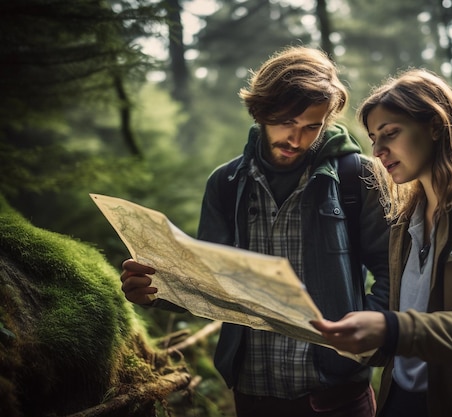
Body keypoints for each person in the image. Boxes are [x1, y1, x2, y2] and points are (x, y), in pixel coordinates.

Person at [120, 46, 390, 417]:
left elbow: (393, 270)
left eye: (311, 126)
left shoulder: (357, 177)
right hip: (253, 394)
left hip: (337, 395)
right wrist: (152, 291)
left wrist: (368, 333)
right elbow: (204, 281)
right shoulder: (225, 183)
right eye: (285, 123)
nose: (297, 139)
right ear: (261, 112)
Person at [311, 68, 452, 417]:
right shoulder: (406, 217)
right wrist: (362, 339)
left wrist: (393, 329)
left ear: (435, 126)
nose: (379, 151)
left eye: (390, 133)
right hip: (399, 400)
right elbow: (405, 317)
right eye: (374, 138)